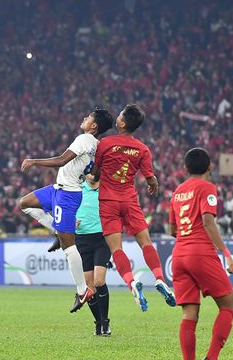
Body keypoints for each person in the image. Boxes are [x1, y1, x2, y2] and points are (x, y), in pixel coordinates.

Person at [19, 108, 114, 313]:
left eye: (88, 117)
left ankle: (82, 291)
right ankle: (56, 229)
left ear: (94, 126)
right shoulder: (95, 146)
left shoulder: (84, 139)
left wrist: (34, 161)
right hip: (58, 189)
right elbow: (95, 174)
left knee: (68, 245)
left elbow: (62, 160)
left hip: (67, 195)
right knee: (24, 203)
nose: (84, 118)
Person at [90, 103, 176, 311]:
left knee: (116, 248)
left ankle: (131, 283)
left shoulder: (105, 143)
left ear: (122, 122)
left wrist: (94, 176)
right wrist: (153, 184)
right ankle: (159, 279)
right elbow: (150, 178)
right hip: (129, 200)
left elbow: (96, 172)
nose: (117, 117)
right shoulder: (142, 148)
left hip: (108, 202)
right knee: (146, 243)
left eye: (119, 115)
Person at [169, 148, 233, 360]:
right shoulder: (208, 188)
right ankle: (211, 359)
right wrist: (226, 253)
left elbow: (173, 230)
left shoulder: (177, 192)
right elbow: (208, 222)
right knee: (228, 306)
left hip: (179, 254)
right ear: (210, 167)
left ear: (185, 169)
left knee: (189, 314)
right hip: (200, 252)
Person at [74, 176, 112, 336]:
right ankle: (98, 322)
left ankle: (105, 321)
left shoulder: (107, 189)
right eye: (89, 172)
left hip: (102, 238)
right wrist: (71, 221)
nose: (92, 175)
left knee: (99, 280)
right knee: (89, 286)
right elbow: (67, 207)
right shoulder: (77, 189)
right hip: (82, 239)